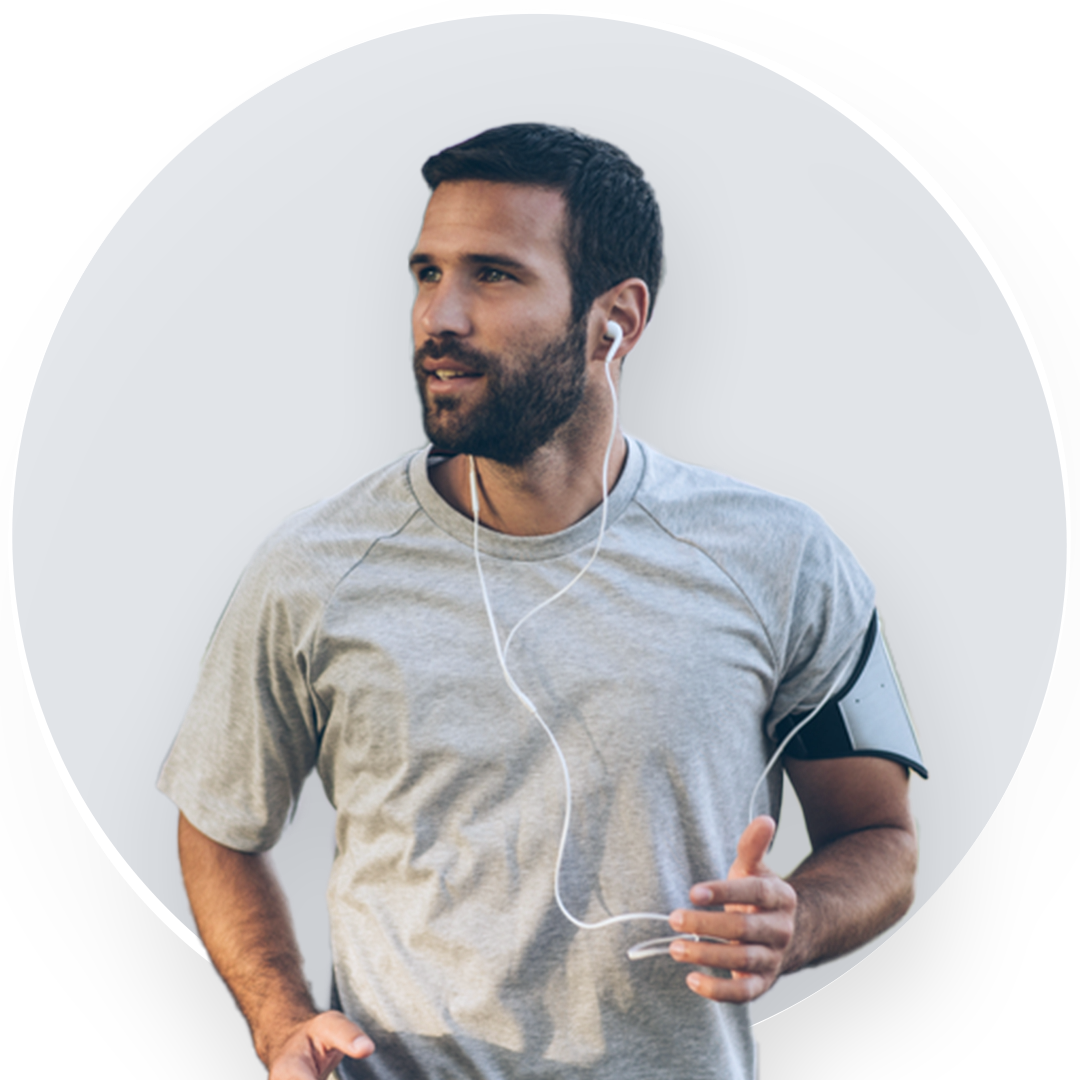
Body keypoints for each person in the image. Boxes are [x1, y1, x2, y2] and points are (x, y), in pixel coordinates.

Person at [156, 121, 927, 1079]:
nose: (439, 316)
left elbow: (880, 836)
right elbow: (217, 822)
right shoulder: (314, 562)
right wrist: (280, 1019)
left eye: (493, 275)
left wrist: (800, 921)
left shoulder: (781, 554)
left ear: (619, 319)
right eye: (426, 273)